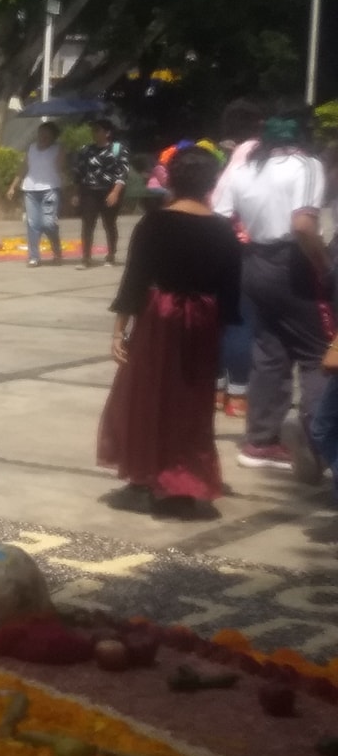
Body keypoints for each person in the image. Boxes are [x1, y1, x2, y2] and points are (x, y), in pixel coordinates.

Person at [99, 147, 240, 517]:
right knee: (191, 402)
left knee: (147, 395)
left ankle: (146, 475)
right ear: (211, 183)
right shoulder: (224, 229)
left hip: (160, 315)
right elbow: (230, 294)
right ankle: (183, 479)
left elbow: (134, 281)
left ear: (171, 180)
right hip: (203, 319)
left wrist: (118, 332)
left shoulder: (155, 224)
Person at [213, 107, 328, 480]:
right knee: (318, 353)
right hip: (293, 263)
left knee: (270, 352)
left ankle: (260, 441)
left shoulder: (247, 168)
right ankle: (320, 441)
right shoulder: (307, 164)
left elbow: (220, 213)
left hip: (255, 262)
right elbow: (303, 224)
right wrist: (323, 264)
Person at [74, 117, 129, 268]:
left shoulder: (117, 149)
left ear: (107, 133)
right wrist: (77, 193)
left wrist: (115, 192)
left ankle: (111, 255)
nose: (94, 133)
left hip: (109, 190)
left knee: (109, 223)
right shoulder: (86, 150)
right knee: (87, 224)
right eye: (93, 130)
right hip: (90, 191)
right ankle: (86, 258)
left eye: (97, 130)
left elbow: (122, 173)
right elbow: (80, 173)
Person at [12, 122, 66, 267]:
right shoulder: (31, 149)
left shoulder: (58, 148)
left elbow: (61, 167)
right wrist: (13, 186)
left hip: (50, 189)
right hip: (30, 190)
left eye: (47, 134)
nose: (43, 136)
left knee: (48, 223)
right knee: (33, 224)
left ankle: (56, 250)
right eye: (41, 133)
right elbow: (24, 167)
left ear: (53, 136)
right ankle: (34, 256)